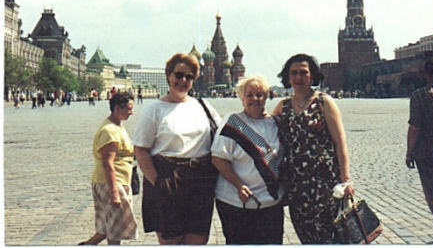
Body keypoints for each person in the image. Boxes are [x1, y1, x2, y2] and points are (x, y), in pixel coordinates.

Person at [132, 53, 221, 245]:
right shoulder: (154, 109)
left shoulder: (203, 106)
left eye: (189, 77)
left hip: (201, 180)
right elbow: (140, 150)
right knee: (171, 240)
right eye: (179, 75)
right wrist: (158, 182)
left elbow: (223, 139)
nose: (183, 80)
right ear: (169, 76)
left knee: (198, 239)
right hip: (168, 178)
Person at [272, 53, 354, 244]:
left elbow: (340, 142)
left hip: (325, 184)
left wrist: (346, 179)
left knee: (330, 236)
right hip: (297, 186)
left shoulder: (324, 102)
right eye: (294, 73)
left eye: (303, 72)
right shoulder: (282, 106)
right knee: (306, 235)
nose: (298, 77)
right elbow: (265, 132)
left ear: (312, 75)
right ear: (287, 76)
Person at [211, 76, 285, 244]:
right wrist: (239, 185)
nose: (254, 99)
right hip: (236, 204)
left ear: (266, 97)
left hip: (270, 204)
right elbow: (218, 159)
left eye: (259, 95)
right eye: (249, 95)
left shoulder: (275, 123)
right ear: (242, 97)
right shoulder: (233, 122)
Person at [79, 93, 137, 245]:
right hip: (111, 183)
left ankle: (87, 245)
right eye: (129, 109)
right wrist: (115, 193)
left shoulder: (118, 126)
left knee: (107, 227)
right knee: (114, 231)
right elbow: (108, 164)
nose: (132, 112)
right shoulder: (109, 131)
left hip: (117, 181)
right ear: (117, 108)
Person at [406, 57, 433, 244]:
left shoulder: (420, 95)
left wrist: (409, 152)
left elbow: (415, 128)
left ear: (426, 74)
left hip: (429, 153)